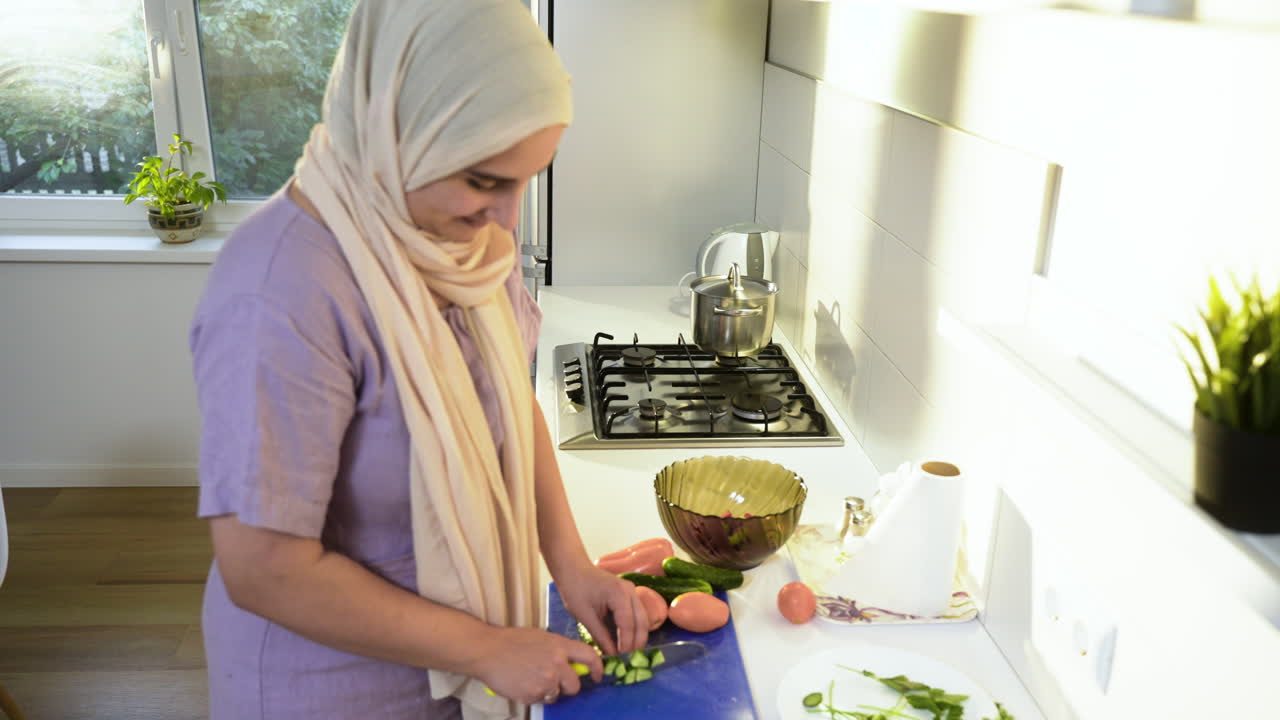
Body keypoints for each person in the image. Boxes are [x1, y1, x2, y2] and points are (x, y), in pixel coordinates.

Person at [188, 2, 648, 718]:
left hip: (466, 663)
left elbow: (506, 407)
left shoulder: (461, 244)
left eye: (527, 179)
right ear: (396, 131)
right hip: (332, 690)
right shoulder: (279, 291)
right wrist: (485, 649)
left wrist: (574, 568)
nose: (507, 222)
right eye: (484, 181)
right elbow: (265, 570)